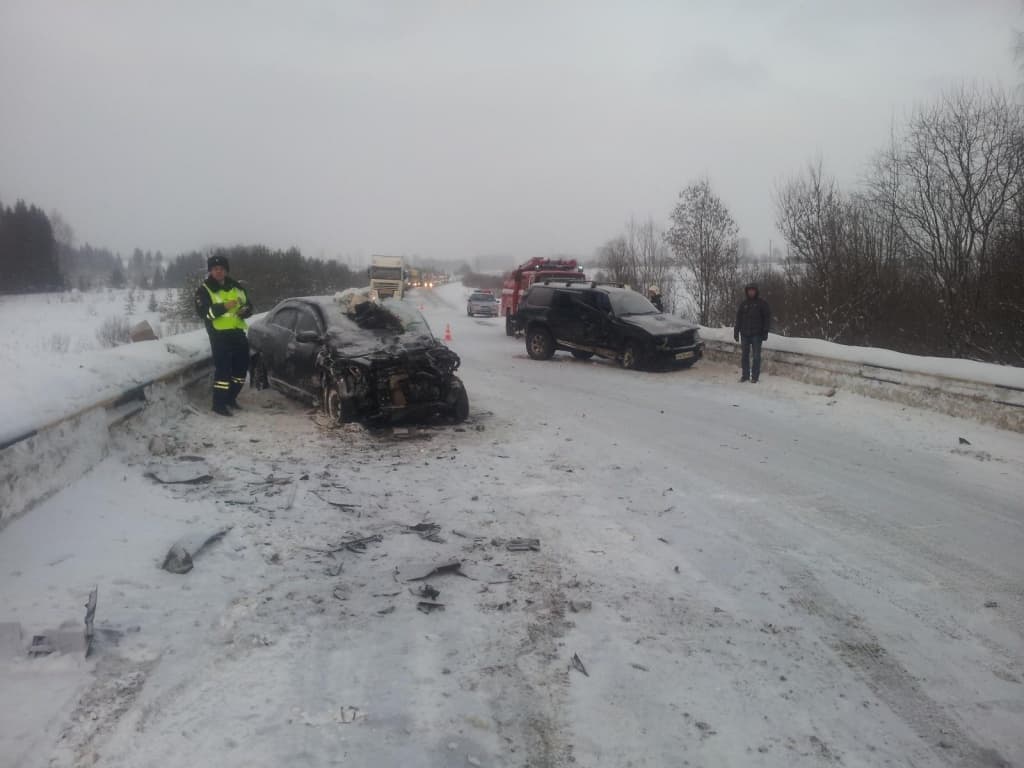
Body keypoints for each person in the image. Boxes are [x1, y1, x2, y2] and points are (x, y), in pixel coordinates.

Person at [194, 254, 254, 415]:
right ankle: (218, 404)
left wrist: (246, 311)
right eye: (215, 269)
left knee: (241, 369)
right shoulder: (204, 290)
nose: (218, 272)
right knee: (224, 371)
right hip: (218, 335)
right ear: (210, 271)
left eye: (221, 269)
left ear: (226, 270)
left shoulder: (237, 287)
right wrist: (224, 306)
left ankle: (231, 398)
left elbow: (248, 305)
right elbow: (205, 313)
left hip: (238, 332)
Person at [733, 282, 770, 383]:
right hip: (744, 334)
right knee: (744, 356)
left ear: (756, 291)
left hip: (757, 335)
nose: (751, 292)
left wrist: (765, 331)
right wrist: (736, 331)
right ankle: (745, 375)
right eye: (749, 290)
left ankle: (755, 376)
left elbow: (767, 318)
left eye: (753, 290)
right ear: (747, 291)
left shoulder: (762, 303)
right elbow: (738, 319)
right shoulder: (743, 304)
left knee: (756, 356)